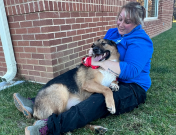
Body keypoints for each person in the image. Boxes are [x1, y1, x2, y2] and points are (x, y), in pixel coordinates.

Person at [13, 2, 154, 135]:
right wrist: (94, 52)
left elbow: (131, 71)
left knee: (97, 101)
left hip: (132, 87)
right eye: (120, 18)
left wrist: (101, 63)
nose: (121, 24)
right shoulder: (113, 33)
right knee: (75, 76)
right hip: (111, 77)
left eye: (127, 22)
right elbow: (101, 51)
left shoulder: (141, 41)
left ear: (137, 24)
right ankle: (37, 101)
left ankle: (49, 126)